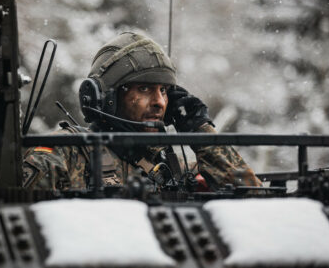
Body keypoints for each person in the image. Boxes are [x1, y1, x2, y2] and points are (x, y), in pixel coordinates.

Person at [22, 32, 262, 190]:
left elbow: (254, 203)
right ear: (108, 98)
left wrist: (202, 133)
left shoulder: (172, 165)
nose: (159, 102)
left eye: (165, 90)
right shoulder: (63, 155)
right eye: (145, 88)